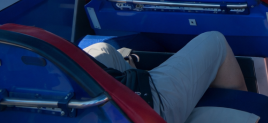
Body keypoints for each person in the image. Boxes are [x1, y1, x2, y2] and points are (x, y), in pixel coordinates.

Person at [84, 31, 258, 123]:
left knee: (102, 49)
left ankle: (133, 73)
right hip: (138, 108)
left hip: (94, 104)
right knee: (215, 40)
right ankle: (245, 106)